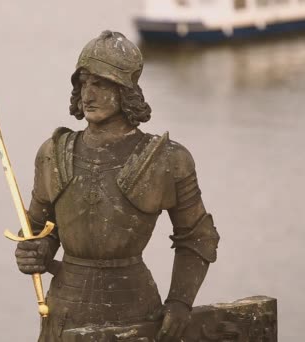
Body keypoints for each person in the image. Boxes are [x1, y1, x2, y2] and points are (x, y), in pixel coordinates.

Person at [14, 31, 220, 342]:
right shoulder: (52, 153)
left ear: (125, 90)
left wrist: (179, 302)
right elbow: (39, 230)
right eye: (83, 83)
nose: (88, 94)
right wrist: (34, 251)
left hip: (135, 311)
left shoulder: (168, 159)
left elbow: (199, 238)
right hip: (64, 313)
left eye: (100, 83)